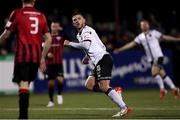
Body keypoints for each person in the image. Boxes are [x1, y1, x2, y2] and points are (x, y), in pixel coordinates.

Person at [64, 11, 131, 118]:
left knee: (104, 87)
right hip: (99, 60)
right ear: (73, 24)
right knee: (89, 85)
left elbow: (86, 45)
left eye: (79, 18)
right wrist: (86, 57)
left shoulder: (87, 30)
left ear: (84, 20)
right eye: (74, 20)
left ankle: (124, 108)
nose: (77, 21)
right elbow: (93, 46)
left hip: (103, 59)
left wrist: (69, 43)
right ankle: (114, 92)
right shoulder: (79, 34)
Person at [0, 0, 52, 119]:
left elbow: (6, 34)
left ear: (22, 0)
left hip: (23, 56)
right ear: (34, 1)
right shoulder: (41, 15)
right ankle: (23, 117)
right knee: (26, 84)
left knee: (23, 84)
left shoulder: (17, 13)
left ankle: (23, 117)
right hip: (35, 57)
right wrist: (42, 58)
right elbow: (48, 39)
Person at [114, 20, 180, 100]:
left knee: (154, 72)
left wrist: (177, 39)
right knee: (162, 74)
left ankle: (163, 89)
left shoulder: (154, 33)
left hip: (158, 56)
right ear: (140, 27)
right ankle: (174, 88)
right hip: (151, 59)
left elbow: (165, 37)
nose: (144, 26)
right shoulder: (140, 37)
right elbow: (131, 44)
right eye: (142, 25)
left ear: (148, 25)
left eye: (145, 24)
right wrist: (120, 49)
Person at [45, 20, 65, 107]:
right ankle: (51, 101)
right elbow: (42, 49)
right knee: (51, 83)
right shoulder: (46, 37)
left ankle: (59, 94)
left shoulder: (62, 36)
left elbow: (70, 36)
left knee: (60, 80)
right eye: (53, 26)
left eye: (56, 26)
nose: (54, 28)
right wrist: (46, 54)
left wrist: (63, 29)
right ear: (50, 27)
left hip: (58, 63)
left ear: (58, 27)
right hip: (49, 64)